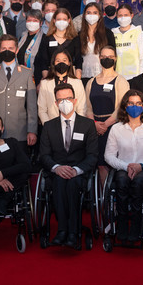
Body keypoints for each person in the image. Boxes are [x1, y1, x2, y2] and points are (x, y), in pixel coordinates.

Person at [104, 90, 143, 242]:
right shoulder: (116, 128)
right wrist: (127, 166)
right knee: (121, 181)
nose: (135, 106)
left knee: (138, 182)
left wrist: (142, 165)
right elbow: (109, 156)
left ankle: (136, 225)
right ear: (125, 106)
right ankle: (121, 223)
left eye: (139, 103)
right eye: (131, 103)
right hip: (123, 168)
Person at [39, 83, 98, 249]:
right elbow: (43, 155)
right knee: (58, 182)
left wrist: (76, 170)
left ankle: (73, 231)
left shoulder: (87, 125)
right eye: (61, 100)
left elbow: (92, 155)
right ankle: (62, 231)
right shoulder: (49, 126)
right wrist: (56, 167)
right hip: (56, 172)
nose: (65, 102)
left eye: (68, 98)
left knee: (71, 184)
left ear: (75, 100)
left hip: (79, 172)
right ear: (56, 104)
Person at [0, 34, 37, 151]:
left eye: (11, 48)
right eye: (4, 48)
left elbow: (32, 106)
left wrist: (32, 130)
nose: (7, 51)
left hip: (19, 131)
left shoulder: (26, 73)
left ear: (17, 50)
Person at [85, 45, 130, 185]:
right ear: (99, 59)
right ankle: (105, 196)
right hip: (95, 128)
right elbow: (87, 107)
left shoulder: (121, 81)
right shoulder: (91, 82)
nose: (107, 59)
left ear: (115, 59)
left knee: (114, 163)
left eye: (110, 57)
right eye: (104, 57)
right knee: (100, 164)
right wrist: (95, 124)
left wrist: (105, 125)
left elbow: (121, 107)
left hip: (114, 127)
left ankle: (117, 195)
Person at [38, 49, 86, 124]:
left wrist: (76, 126)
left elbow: (82, 109)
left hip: (73, 126)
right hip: (52, 127)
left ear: (69, 63)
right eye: (58, 61)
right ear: (53, 63)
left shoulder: (78, 83)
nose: (61, 63)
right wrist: (49, 127)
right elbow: (42, 110)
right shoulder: (45, 84)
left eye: (64, 60)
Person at [36, 8, 82, 81]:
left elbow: (78, 60)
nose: (61, 22)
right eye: (59, 19)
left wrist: (77, 79)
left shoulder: (75, 39)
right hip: (51, 77)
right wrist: (47, 79)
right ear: (54, 20)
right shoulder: (46, 39)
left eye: (64, 19)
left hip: (70, 76)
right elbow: (43, 61)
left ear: (69, 21)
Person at [77, 2, 116, 87]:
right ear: (84, 15)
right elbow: (77, 58)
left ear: (99, 15)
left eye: (95, 13)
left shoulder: (108, 33)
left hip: (104, 76)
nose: (91, 15)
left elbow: (113, 56)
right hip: (84, 77)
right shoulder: (79, 35)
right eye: (88, 13)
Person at [112, 4, 143, 80]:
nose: (123, 18)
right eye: (120, 15)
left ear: (131, 15)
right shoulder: (113, 33)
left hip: (134, 77)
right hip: (117, 77)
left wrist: (141, 77)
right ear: (116, 16)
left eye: (126, 15)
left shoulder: (138, 32)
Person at [17, 9, 45, 74]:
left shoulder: (44, 39)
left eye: (35, 21)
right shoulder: (22, 36)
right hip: (20, 74)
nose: (32, 23)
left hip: (36, 76)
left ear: (41, 23)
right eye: (29, 20)